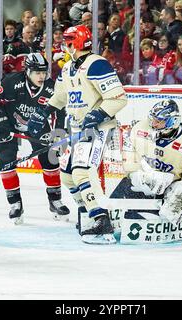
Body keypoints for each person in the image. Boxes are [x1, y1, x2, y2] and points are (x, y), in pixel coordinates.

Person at [26, 25, 128, 244]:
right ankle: (86, 213)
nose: (65, 46)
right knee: (67, 176)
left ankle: (101, 220)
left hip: (98, 128)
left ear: (79, 43)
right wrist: (43, 112)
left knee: (81, 173)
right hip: (78, 128)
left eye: (69, 42)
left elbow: (119, 97)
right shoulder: (68, 67)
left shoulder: (97, 64)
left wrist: (98, 114)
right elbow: (61, 97)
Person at [0, 53, 70, 224]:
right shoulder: (11, 82)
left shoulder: (51, 88)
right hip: (8, 123)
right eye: (37, 72)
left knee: (50, 157)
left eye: (44, 72)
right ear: (27, 71)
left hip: (36, 123)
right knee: (6, 161)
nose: (42, 76)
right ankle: (15, 204)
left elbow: (60, 111)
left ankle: (55, 200)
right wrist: (0, 122)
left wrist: (57, 134)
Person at [113, 99, 182, 243]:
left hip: (168, 191)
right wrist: (136, 174)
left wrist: (180, 196)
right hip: (142, 182)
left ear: (172, 121)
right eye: (153, 119)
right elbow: (129, 154)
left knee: (144, 224)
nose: (154, 124)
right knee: (112, 216)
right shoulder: (140, 128)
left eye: (159, 121)